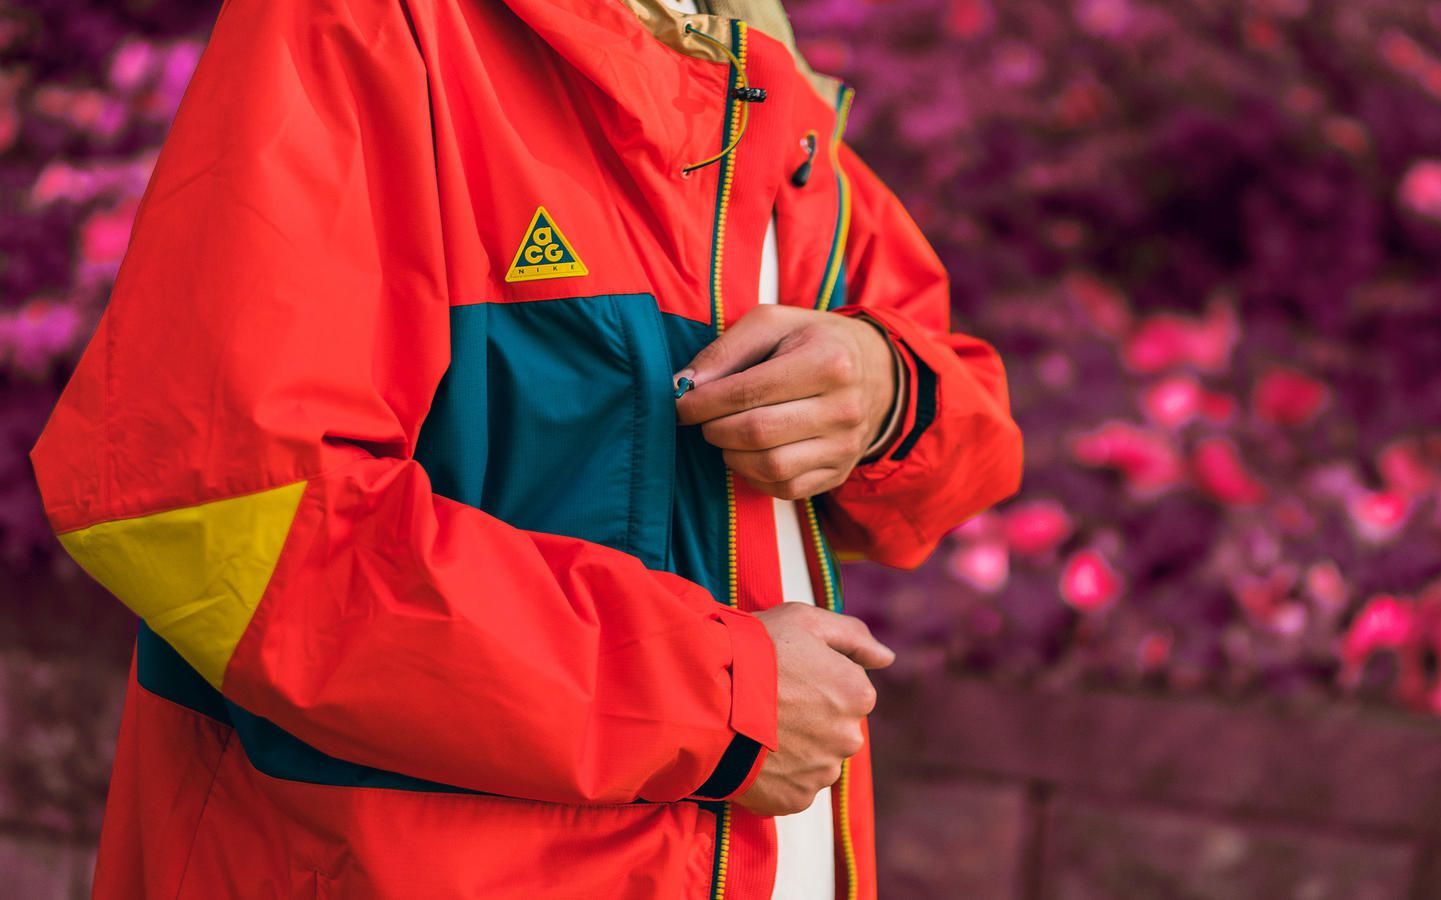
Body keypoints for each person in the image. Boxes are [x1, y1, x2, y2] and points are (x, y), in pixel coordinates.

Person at [31, 0, 1022, 896]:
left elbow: (969, 439)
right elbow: (219, 514)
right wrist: (718, 699)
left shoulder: (753, 69)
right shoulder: (365, 21)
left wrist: (886, 390)